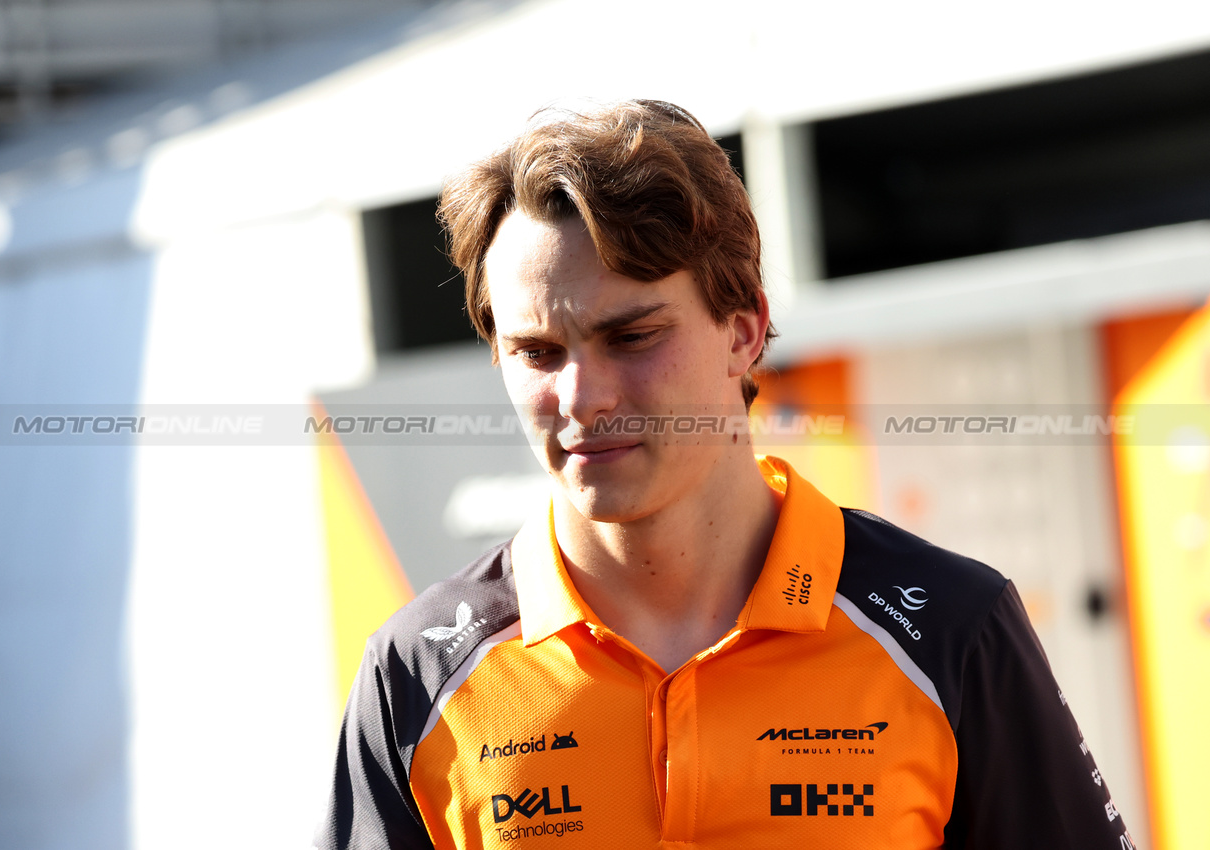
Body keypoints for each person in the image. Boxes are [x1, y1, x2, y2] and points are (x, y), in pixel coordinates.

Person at [315, 100, 1134, 849]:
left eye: (631, 337)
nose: (581, 398)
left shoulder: (950, 628)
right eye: (536, 353)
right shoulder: (417, 677)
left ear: (743, 332)